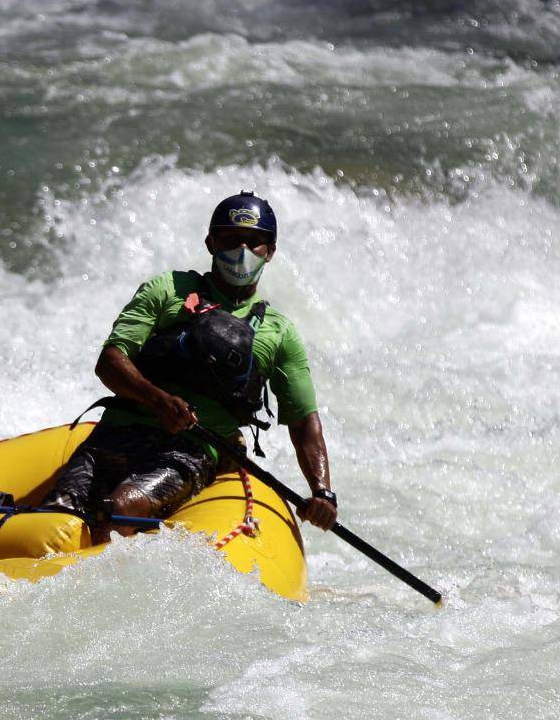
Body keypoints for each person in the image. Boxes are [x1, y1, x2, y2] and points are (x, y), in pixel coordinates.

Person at [42, 192, 339, 540]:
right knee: (54, 517)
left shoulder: (279, 332)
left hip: (192, 450)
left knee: (120, 507)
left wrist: (322, 492)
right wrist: (157, 400)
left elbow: (303, 421)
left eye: (254, 242)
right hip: (119, 431)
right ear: (211, 242)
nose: (241, 251)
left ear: (270, 251)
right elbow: (110, 361)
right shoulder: (167, 290)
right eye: (230, 240)